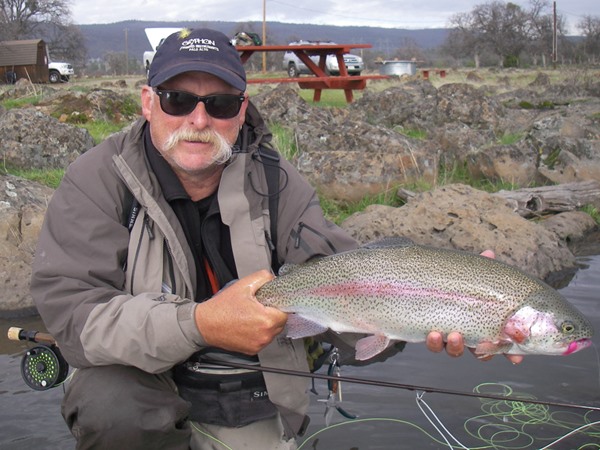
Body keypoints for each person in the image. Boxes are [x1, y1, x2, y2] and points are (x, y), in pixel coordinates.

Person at [30, 28, 521, 450]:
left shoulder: (277, 182)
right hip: (135, 377)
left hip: (251, 382)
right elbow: (74, 316)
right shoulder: (97, 180)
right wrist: (200, 324)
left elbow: (341, 281)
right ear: (147, 101)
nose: (199, 121)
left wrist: (445, 297)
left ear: (241, 110)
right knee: (112, 412)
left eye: (219, 103)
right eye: (178, 100)